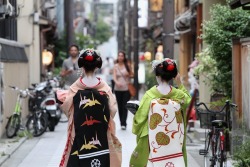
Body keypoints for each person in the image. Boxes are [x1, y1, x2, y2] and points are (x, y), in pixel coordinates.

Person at [56, 49, 122, 167]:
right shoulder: (104, 87)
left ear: (82, 67)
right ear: (97, 67)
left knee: (79, 158)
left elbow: (67, 108)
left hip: (79, 131)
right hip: (101, 131)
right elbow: (113, 110)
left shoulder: (75, 87)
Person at [130, 58, 191, 167]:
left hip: (153, 140)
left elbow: (139, 119)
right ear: (173, 76)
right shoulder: (179, 95)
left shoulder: (150, 95)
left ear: (158, 75)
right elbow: (188, 101)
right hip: (174, 139)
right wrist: (180, 84)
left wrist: (136, 128)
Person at [113, 51, 133, 130]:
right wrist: (117, 82)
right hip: (118, 89)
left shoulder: (127, 65)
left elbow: (132, 74)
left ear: (124, 57)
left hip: (126, 89)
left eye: (122, 56)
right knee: (120, 106)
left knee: (125, 106)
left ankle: (124, 123)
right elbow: (114, 77)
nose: (120, 57)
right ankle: (121, 122)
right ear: (118, 57)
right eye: (119, 56)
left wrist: (128, 74)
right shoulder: (115, 66)